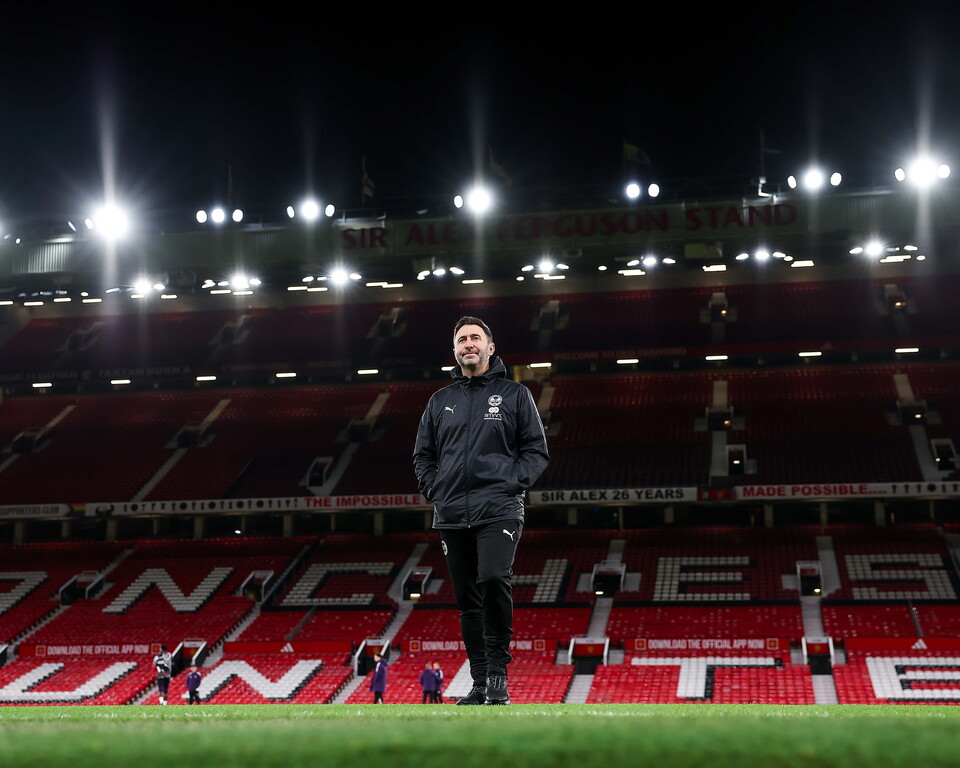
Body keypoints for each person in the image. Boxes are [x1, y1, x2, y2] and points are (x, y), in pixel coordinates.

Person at [414, 316, 549, 705]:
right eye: (461, 339)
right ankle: (479, 682)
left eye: (475, 338)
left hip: (499, 508)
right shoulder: (439, 401)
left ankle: (497, 674)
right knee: (467, 600)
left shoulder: (515, 394)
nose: (468, 344)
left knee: (492, 577)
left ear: (490, 348)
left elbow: (536, 451)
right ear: (454, 350)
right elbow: (423, 456)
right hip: (452, 513)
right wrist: (435, 489)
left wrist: (510, 484)